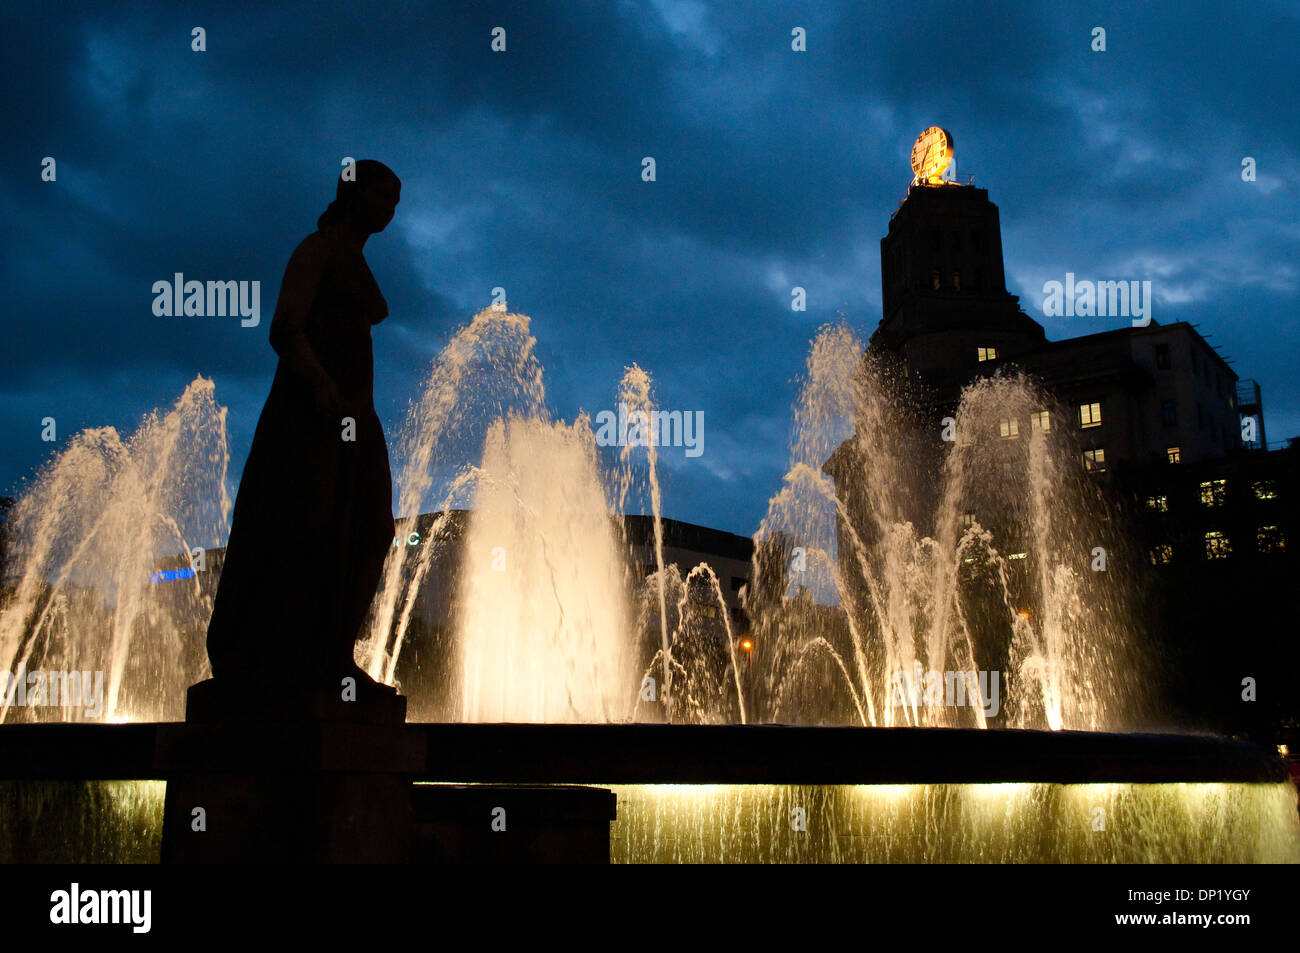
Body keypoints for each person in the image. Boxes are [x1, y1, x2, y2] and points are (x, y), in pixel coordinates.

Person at [206, 160, 401, 693]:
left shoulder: (356, 263)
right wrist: (318, 382)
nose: (391, 210)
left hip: (356, 418)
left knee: (368, 529)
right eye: (384, 197)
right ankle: (285, 661)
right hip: (310, 418)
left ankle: (334, 655)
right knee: (305, 526)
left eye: (396, 201)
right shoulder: (315, 251)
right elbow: (285, 327)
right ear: (351, 195)